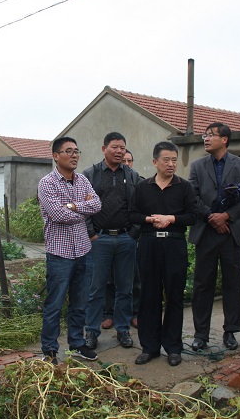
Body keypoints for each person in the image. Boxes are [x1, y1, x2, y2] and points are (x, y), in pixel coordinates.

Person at [129, 141, 197, 366]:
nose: (171, 164)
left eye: (174, 160)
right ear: (155, 161)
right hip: (148, 243)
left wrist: (171, 219)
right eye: (166, 160)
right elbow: (132, 214)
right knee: (149, 296)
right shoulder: (143, 187)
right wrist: (149, 219)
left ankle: (173, 348)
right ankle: (149, 347)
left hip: (174, 244)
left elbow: (193, 216)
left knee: (174, 296)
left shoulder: (184, 187)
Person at [189, 122, 240, 352]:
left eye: (211, 135)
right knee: (202, 285)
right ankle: (201, 334)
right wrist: (211, 217)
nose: (206, 139)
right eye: (204, 135)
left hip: (231, 232)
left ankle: (231, 331)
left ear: (224, 139)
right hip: (206, 232)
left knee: (233, 283)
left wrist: (226, 216)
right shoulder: (197, 166)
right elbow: (193, 197)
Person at [38, 137, 102, 364]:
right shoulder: (47, 183)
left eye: (76, 151)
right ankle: (49, 350)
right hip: (59, 254)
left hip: (83, 250)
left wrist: (73, 206)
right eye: (69, 151)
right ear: (56, 156)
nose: (74, 155)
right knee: (54, 304)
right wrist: (84, 209)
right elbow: (58, 214)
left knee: (80, 302)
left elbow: (97, 204)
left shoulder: (82, 180)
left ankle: (77, 343)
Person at [82, 133, 141, 350]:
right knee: (96, 288)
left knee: (125, 288)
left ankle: (123, 330)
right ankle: (91, 331)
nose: (119, 151)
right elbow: (82, 206)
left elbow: (140, 205)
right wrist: (92, 234)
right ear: (104, 148)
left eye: (122, 148)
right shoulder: (90, 175)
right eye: (115, 147)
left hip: (126, 238)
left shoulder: (132, 175)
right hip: (100, 239)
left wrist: (133, 233)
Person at [102, 149, 140, 329]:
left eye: (129, 160)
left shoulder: (137, 180)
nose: (126, 163)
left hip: (130, 237)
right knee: (109, 278)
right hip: (107, 236)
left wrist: (134, 232)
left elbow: (143, 206)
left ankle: (134, 312)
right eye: (124, 160)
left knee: (134, 278)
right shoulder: (103, 177)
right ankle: (109, 313)